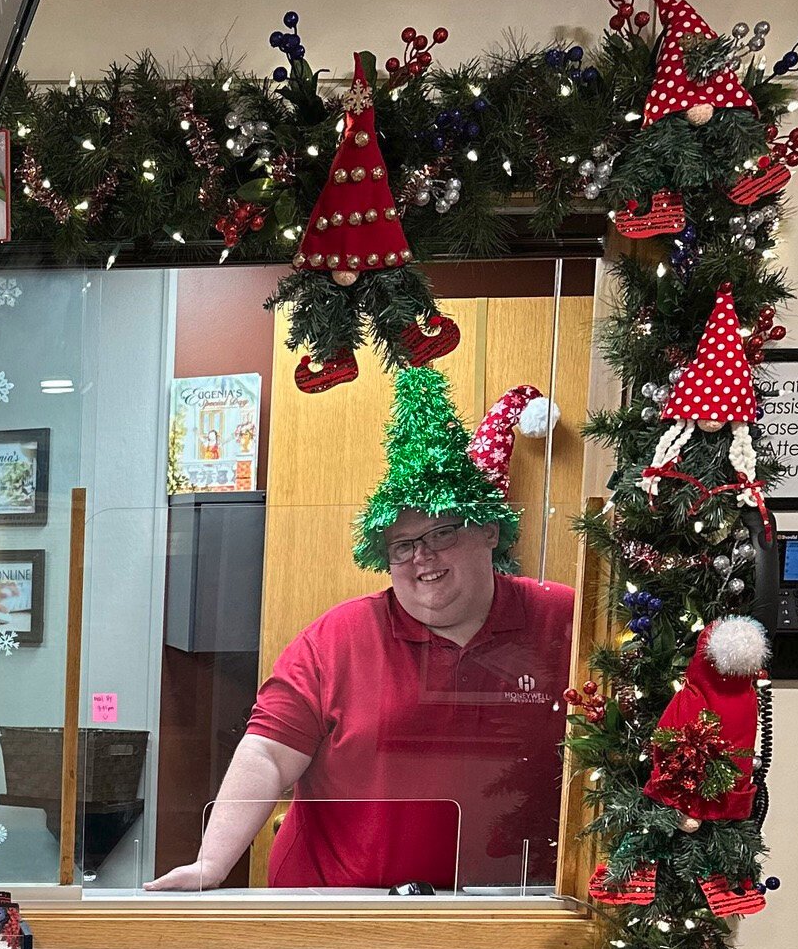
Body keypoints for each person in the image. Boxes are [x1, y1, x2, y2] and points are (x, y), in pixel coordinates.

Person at [149, 374, 574, 894]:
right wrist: (210, 866)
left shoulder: (563, 618)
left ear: (488, 530)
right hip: (343, 904)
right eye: (402, 545)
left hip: (512, 909)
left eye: (441, 532)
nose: (423, 558)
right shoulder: (338, 637)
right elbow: (267, 753)